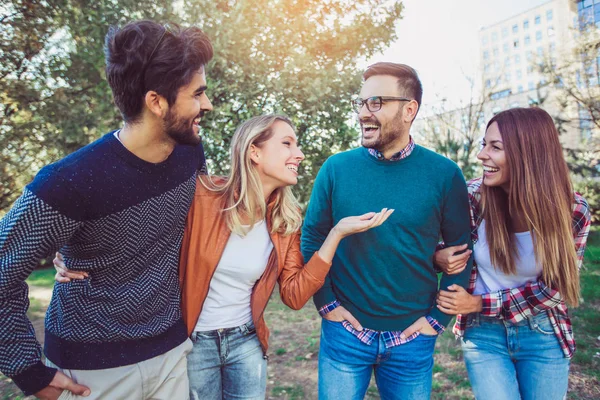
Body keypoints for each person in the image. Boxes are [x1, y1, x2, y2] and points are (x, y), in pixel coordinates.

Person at [56, 114, 394, 399]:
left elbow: (293, 295)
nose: (300, 154)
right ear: (254, 152)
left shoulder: (285, 222)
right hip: (192, 343)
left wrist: (335, 235)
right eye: (288, 143)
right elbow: (142, 226)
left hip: (245, 344)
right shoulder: (201, 195)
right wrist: (75, 250)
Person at [0, 20, 213, 399]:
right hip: (90, 372)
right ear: (156, 101)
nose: (207, 105)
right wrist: (30, 373)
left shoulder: (191, 153)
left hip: (172, 355)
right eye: (197, 94)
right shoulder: (67, 183)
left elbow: (195, 226)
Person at [300, 62, 474, 399]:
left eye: (376, 102)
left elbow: (460, 252)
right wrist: (326, 305)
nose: (364, 113)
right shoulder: (336, 169)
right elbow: (312, 238)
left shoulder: (445, 174)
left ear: (409, 110)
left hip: (412, 340)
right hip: (345, 335)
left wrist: (435, 321)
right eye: (362, 103)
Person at [433, 107, 591, 400]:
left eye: (495, 147)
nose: (481, 155)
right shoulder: (472, 197)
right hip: (483, 335)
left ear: (527, 154)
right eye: (484, 144)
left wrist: (479, 302)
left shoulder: (572, 211)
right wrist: (438, 258)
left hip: (543, 331)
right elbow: (436, 245)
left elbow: (554, 289)